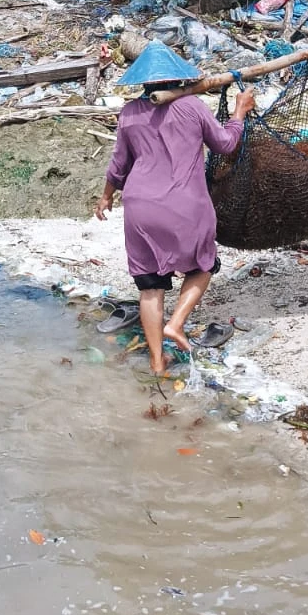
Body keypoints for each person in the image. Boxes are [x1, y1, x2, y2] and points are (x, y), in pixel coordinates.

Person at [95, 43, 255, 374]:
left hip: (138, 206)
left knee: (150, 285)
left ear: (144, 83)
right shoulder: (193, 106)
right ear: (178, 79)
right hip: (185, 204)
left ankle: (157, 362)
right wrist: (240, 111)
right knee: (203, 266)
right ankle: (176, 323)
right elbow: (225, 144)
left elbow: (118, 165)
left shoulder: (128, 113)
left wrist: (107, 196)